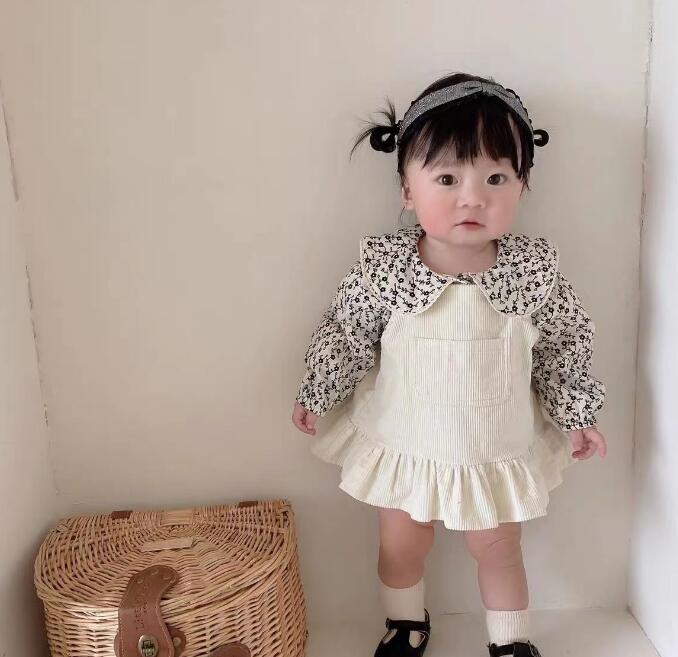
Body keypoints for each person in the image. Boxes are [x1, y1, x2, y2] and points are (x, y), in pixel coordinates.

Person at [291, 72, 608, 657]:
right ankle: (406, 624)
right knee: (401, 546)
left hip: (493, 446)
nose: (472, 197)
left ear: (522, 185)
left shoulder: (531, 273)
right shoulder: (387, 270)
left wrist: (576, 414)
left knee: (499, 549)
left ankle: (510, 641)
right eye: (447, 178)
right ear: (407, 190)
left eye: (496, 178)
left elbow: (564, 346)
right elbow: (346, 332)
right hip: (407, 443)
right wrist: (318, 391)